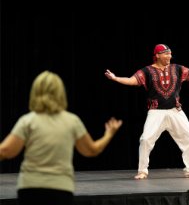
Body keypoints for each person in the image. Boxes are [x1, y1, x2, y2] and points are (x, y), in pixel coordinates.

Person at [105, 44, 189, 179]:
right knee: (146, 139)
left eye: (170, 54)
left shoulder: (177, 69)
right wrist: (116, 78)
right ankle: (142, 171)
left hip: (175, 111)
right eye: (166, 54)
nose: (169, 56)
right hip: (156, 112)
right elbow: (131, 80)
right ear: (157, 55)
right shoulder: (147, 71)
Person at [0, 70, 123, 205]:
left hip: (30, 188)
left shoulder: (28, 121)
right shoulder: (72, 121)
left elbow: (5, 151)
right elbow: (91, 150)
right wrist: (108, 134)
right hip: (61, 189)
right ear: (61, 93)